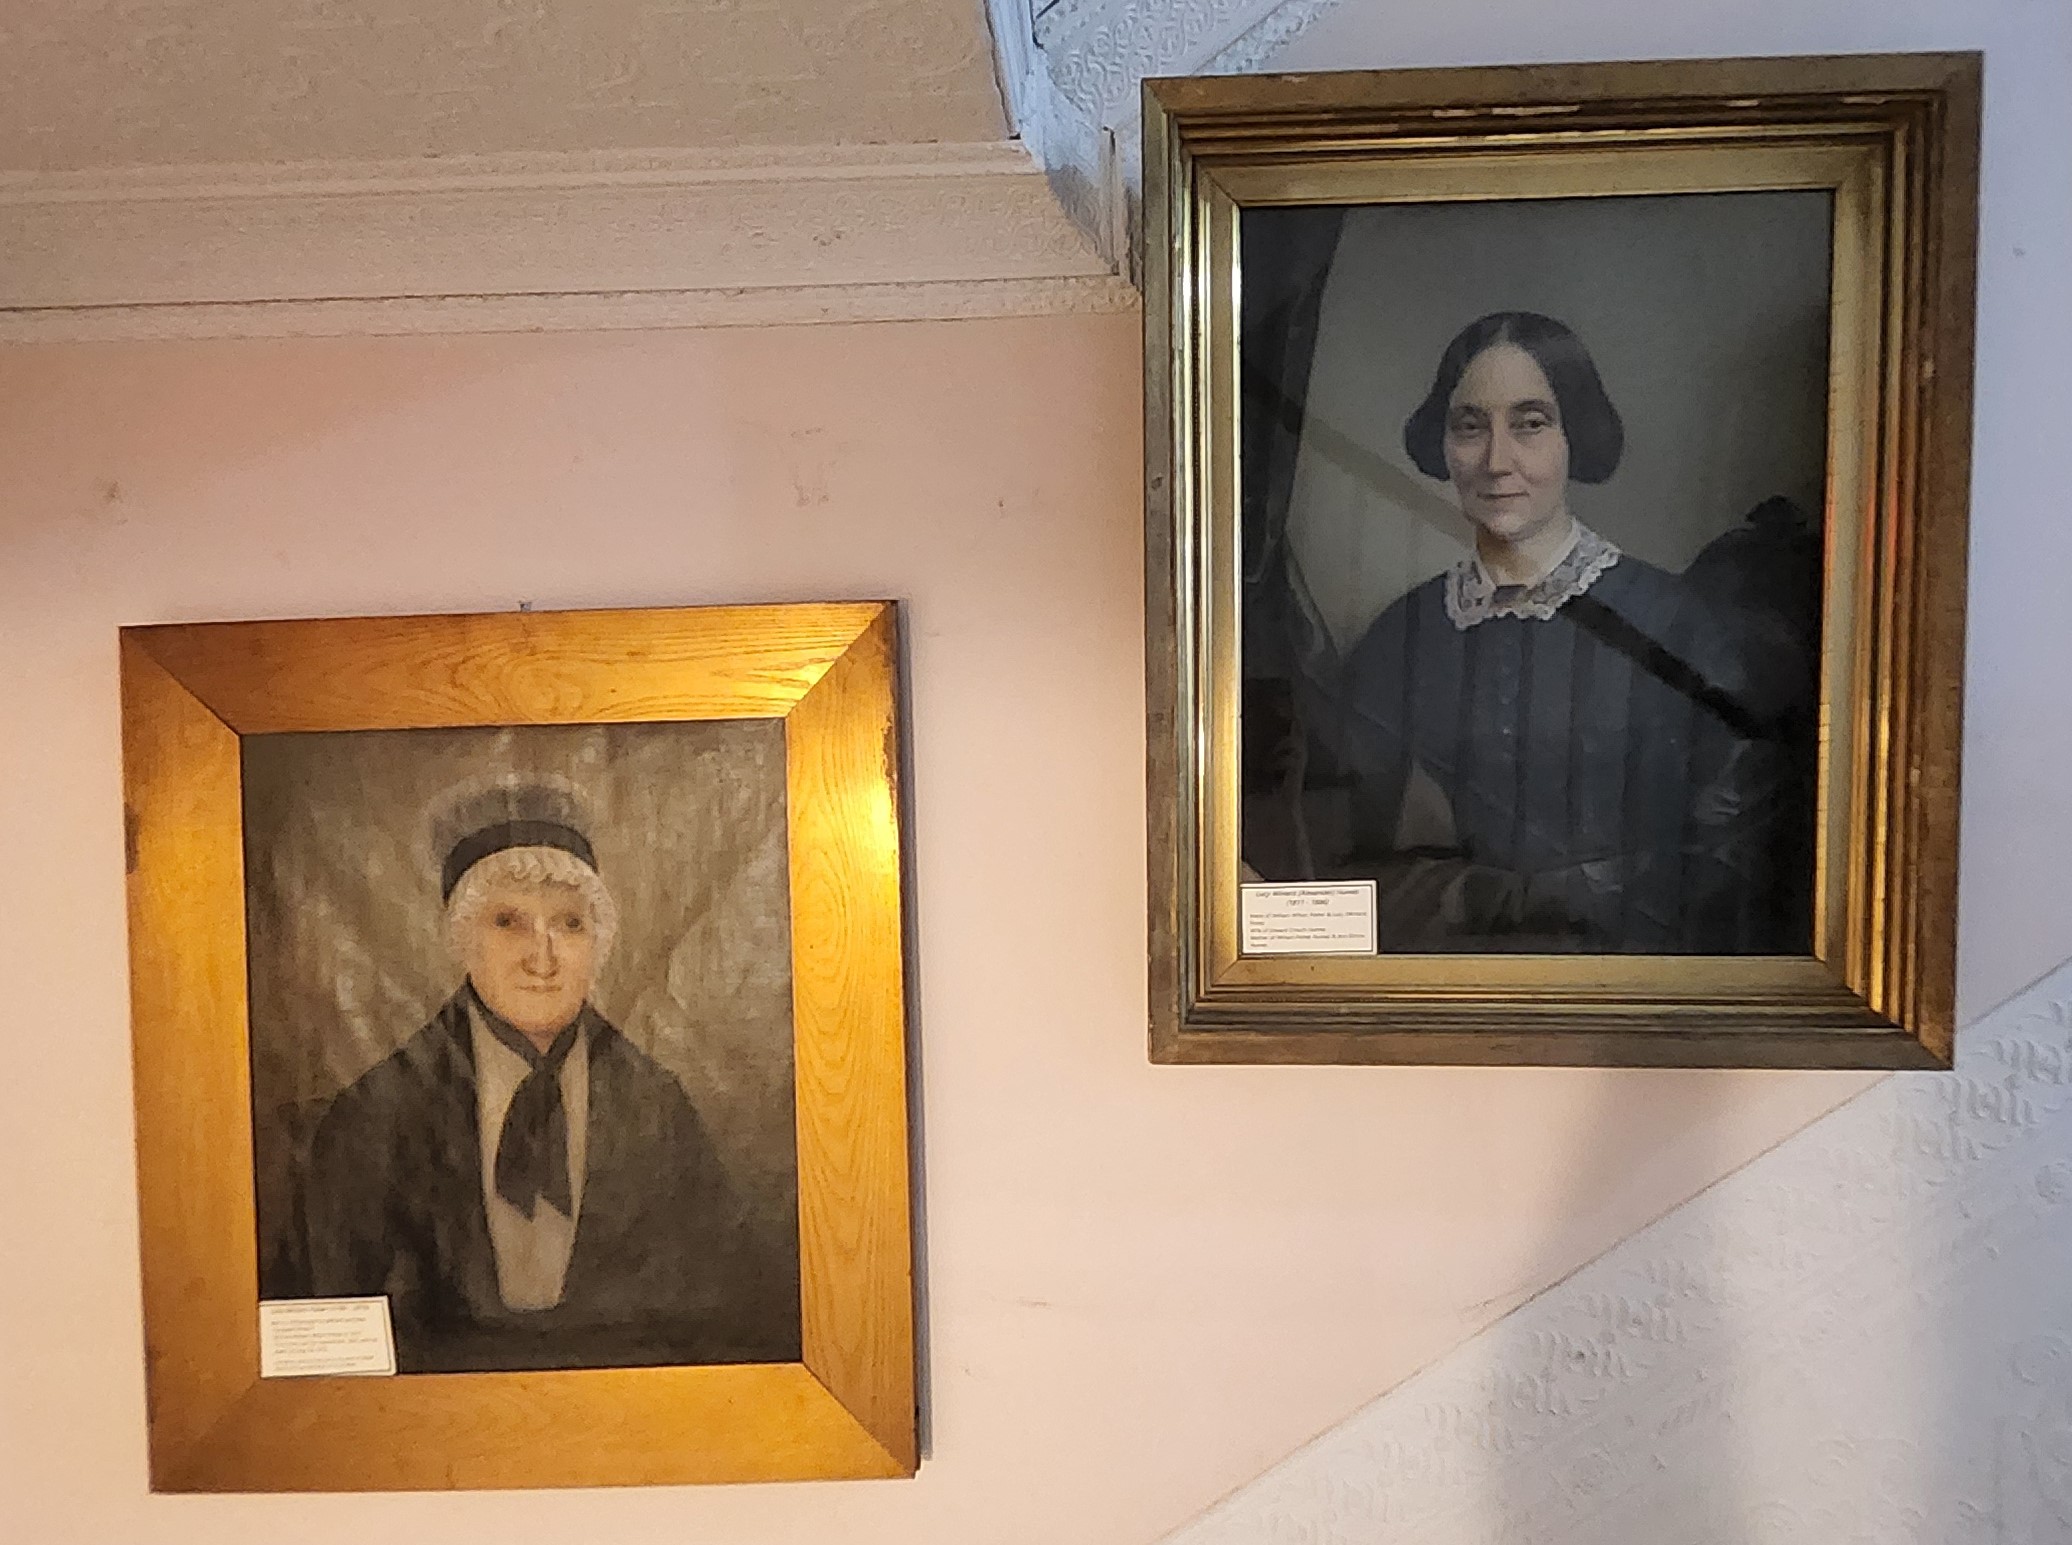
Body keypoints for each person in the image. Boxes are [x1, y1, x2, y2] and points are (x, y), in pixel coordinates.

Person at [1328, 311, 1814, 952]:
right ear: (1442, 446)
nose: (1497, 460)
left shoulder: (1674, 623)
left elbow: (1737, 852)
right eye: (1470, 427)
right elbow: (1354, 850)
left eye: (1530, 423)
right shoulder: (1403, 634)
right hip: (1455, 976)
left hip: (1636, 979)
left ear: (1573, 436)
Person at [287, 782, 799, 1372]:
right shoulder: (375, 1115)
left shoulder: (658, 1105)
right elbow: (326, 1334)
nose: (543, 957)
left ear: (598, 946)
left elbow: (729, 1308)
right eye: (509, 922)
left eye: (570, 925)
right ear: (462, 940)